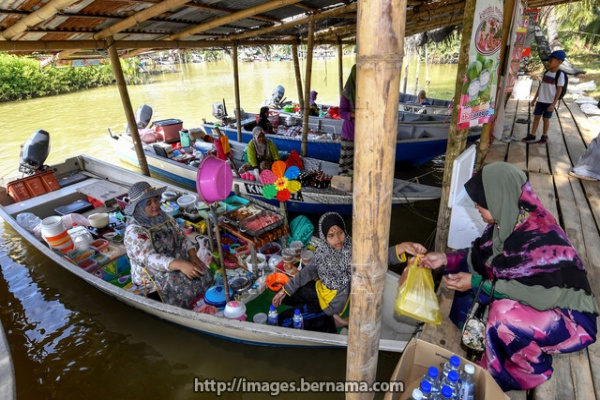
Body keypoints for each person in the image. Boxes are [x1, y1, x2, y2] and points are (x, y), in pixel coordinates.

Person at [421, 162, 597, 392]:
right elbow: (480, 256)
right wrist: (444, 259)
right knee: (477, 283)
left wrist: (476, 283)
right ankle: (491, 340)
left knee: (502, 314)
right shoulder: (508, 220)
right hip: (537, 299)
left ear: (498, 198)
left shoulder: (539, 239)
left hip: (568, 319)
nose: (476, 206)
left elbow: (541, 296)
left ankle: (525, 371)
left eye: (480, 203)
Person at [272, 211, 426, 332]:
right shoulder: (323, 251)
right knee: (284, 296)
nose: (338, 239)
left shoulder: (353, 250)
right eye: (331, 235)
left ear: (345, 231)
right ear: (324, 237)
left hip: (335, 302)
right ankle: (326, 314)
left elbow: (378, 258)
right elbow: (308, 272)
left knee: (283, 319)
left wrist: (402, 247)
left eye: (340, 233)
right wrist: (286, 290)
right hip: (321, 290)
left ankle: (337, 321)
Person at [123, 182, 213, 308]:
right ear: (139, 207)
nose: (155, 205)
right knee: (182, 293)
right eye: (148, 203)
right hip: (152, 278)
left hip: (176, 262)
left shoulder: (164, 216)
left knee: (205, 274)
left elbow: (181, 236)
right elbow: (149, 258)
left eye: (156, 200)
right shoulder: (134, 231)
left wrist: (193, 256)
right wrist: (180, 265)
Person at [522, 50, 567, 144]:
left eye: (551, 61)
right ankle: (533, 134)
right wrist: (534, 99)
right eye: (549, 61)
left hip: (549, 102)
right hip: (541, 100)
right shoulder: (546, 73)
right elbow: (541, 86)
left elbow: (559, 90)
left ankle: (544, 135)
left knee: (546, 119)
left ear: (559, 62)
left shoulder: (560, 75)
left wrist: (553, 104)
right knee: (536, 117)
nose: (548, 63)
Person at [338, 65, 356, 175]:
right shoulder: (347, 93)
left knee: (360, 162)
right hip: (350, 133)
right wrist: (354, 114)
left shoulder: (367, 91)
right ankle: (342, 184)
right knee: (346, 163)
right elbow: (342, 113)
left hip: (364, 134)